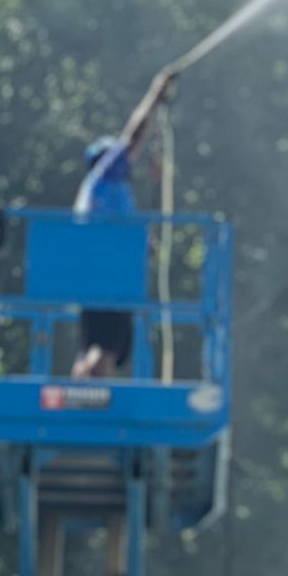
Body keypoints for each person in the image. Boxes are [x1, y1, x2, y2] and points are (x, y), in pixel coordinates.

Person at [70, 69, 177, 379]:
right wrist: (155, 93)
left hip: (100, 273)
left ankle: (80, 389)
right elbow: (132, 136)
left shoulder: (102, 193)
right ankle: (87, 394)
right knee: (105, 349)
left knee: (100, 347)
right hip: (110, 274)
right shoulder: (105, 177)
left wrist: (141, 246)